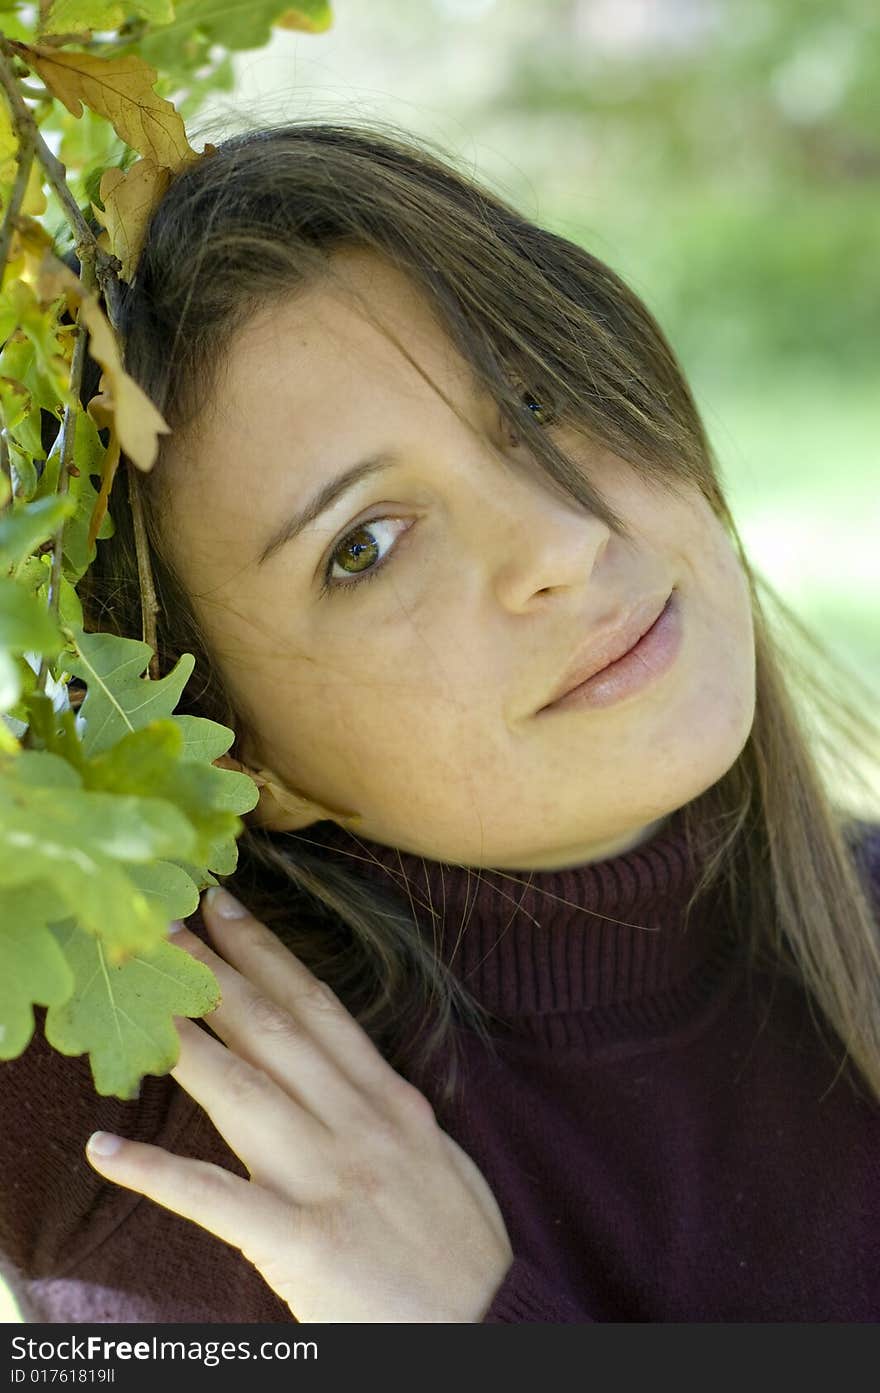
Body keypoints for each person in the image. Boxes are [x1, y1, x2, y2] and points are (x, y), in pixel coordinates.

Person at [2, 120, 879, 1324]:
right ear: (235, 751)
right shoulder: (157, 1105)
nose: (562, 546)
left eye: (536, 394)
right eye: (361, 545)